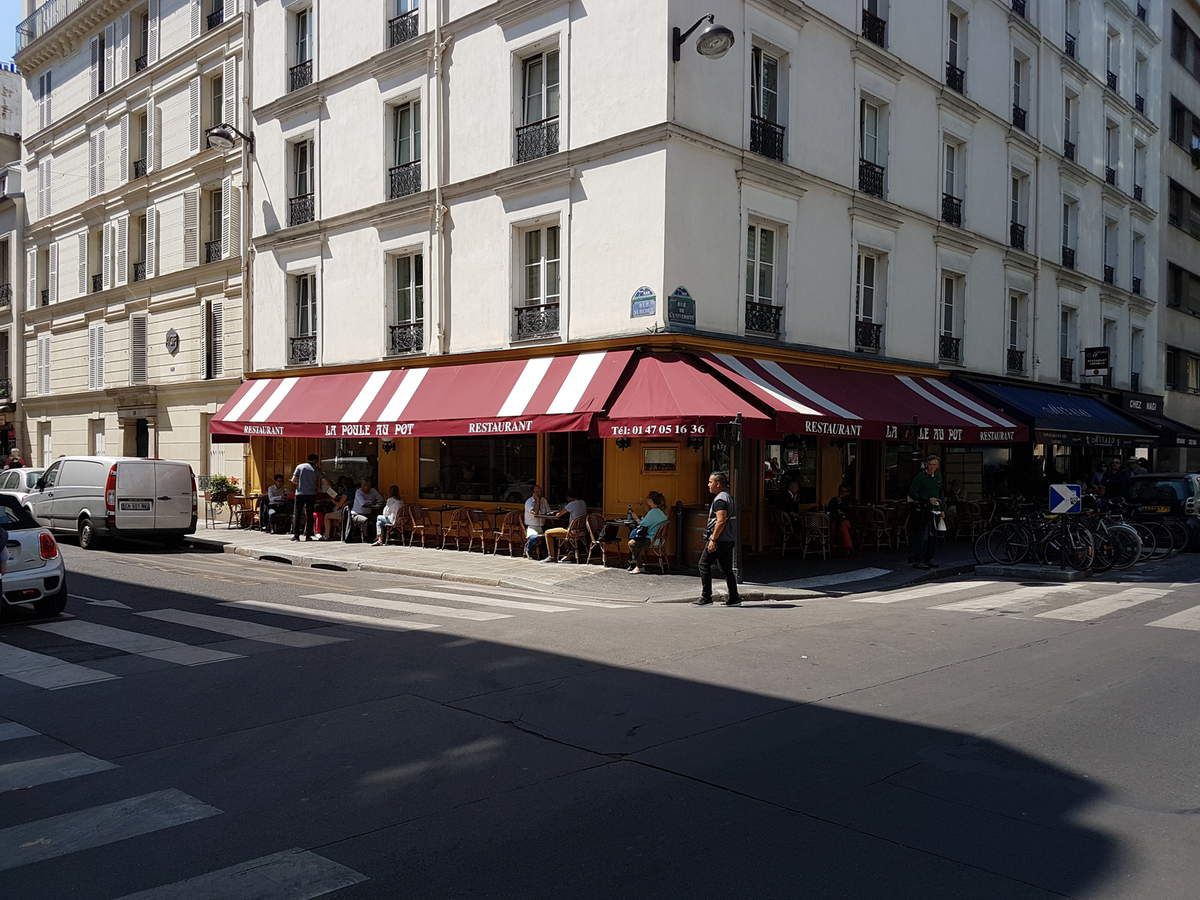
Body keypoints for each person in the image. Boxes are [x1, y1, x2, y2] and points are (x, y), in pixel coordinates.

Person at [694, 472, 739, 607]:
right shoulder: (727, 497)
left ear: (718, 484)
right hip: (728, 538)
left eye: (710, 482)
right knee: (726, 568)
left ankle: (706, 596)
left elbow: (721, 521)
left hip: (720, 539)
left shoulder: (720, 500)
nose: (708, 485)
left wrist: (713, 540)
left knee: (703, 564)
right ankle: (734, 597)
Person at [907, 455, 944, 569]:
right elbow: (912, 492)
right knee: (921, 535)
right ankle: (918, 559)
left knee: (933, 535)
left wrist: (942, 508)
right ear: (927, 464)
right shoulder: (921, 477)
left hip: (935, 509)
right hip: (923, 509)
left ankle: (930, 558)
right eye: (931, 464)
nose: (933, 467)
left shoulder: (937, 476)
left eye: (935, 465)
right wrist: (926, 499)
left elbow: (940, 492)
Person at [628, 491, 669, 574]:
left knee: (632, 543)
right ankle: (635, 562)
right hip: (659, 539)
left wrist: (635, 518)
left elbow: (642, 524)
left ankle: (639, 566)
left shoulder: (653, 512)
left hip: (651, 539)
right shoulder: (661, 512)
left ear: (651, 501)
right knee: (636, 543)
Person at [542, 491, 588, 562]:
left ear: (569, 497)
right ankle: (569, 552)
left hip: (572, 532)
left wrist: (556, 512)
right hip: (582, 531)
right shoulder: (583, 502)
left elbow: (559, 515)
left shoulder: (571, 504)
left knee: (547, 533)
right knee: (565, 529)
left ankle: (551, 556)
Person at [289, 455, 321, 541]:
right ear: (315, 460)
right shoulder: (316, 469)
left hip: (300, 493)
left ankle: (296, 535)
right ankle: (308, 535)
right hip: (311, 494)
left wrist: (300, 484)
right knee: (309, 515)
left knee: (297, 514)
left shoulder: (300, 466)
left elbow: (294, 480)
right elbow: (320, 480)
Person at [523, 485, 552, 558]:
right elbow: (535, 513)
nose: (539, 493)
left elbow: (548, 512)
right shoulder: (529, 502)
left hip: (542, 525)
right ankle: (527, 548)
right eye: (537, 492)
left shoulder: (544, 500)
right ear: (533, 493)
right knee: (534, 537)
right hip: (531, 526)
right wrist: (537, 501)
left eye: (540, 492)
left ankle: (548, 554)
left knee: (552, 534)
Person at [825, 484, 854, 555]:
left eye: (844, 491)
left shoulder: (850, 500)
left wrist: (840, 503)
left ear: (848, 492)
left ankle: (848, 547)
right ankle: (832, 546)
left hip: (848, 520)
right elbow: (828, 510)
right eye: (841, 491)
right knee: (832, 525)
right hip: (834, 519)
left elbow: (850, 511)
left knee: (843, 524)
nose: (842, 493)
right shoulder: (834, 500)